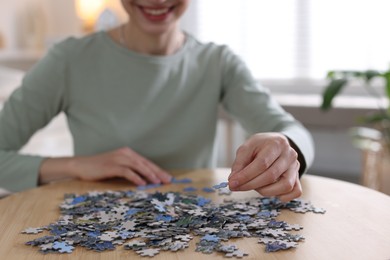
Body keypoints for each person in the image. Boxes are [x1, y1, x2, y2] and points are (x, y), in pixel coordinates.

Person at [0, 0, 314, 202]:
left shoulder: (218, 62)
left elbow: (291, 131)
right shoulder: (68, 60)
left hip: (194, 228)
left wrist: (284, 145)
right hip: (98, 232)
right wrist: (76, 166)